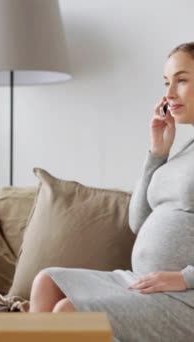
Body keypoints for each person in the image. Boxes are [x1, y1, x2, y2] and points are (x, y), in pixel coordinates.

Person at [28, 42, 194, 342]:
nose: (169, 95)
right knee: (47, 281)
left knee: (70, 312)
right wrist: (158, 152)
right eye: (167, 83)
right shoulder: (183, 152)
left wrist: (184, 278)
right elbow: (138, 222)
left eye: (182, 80)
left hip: (186, 295)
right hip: (148, 285)